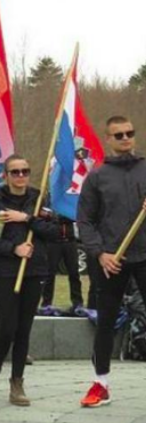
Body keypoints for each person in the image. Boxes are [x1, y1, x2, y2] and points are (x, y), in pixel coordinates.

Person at [0, 155, 58, 406]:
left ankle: (17, 381)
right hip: (6, 271)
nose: (21, 176)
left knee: (24, 329)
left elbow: (54, 232)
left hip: (35, 271)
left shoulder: (39, 199)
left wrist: (27, 219)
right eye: (15, 172)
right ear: (6, 175)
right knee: (8, 326)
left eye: (25, 171)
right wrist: (13, 249)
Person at [77, 116, 146, 408]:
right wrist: (99, 253)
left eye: (129, 133)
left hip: (145, 255)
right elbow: (86, 220)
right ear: (108, 139)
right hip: (111, 259)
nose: (125, 138)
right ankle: (100, 384)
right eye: (118, 135)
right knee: (105, 322)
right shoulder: (97, 176)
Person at [42, 214, 83, 310]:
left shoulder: (69, 203)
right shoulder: (50, 202)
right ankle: (46, 303)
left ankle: (77, 303)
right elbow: (47, 218)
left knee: (74, 273)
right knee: (49, 274)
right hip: (53, 242)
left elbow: (74, 217)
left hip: (70, 241)